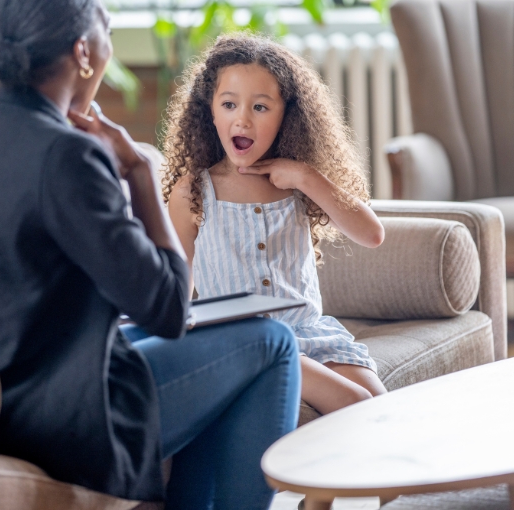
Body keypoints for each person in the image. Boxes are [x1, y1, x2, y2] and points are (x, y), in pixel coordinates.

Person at [0, 0, 300, 510]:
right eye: (108, 32)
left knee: (172, 339)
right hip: (56, 419)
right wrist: (139, 172)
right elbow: (168, 307)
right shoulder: (69, 155)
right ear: (83, 52)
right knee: (271, 342)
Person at [163, 33, 388, 416]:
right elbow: (175, 292)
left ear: (288, 114)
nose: (243, 119)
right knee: (358, 406)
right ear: (210, 112)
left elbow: (371, 234)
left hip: (311, 333)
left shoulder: (297, 182)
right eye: (229, 104)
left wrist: (305, 177)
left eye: (261, 107)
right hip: (249, 342)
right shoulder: (192, 194)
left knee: (385, 409)